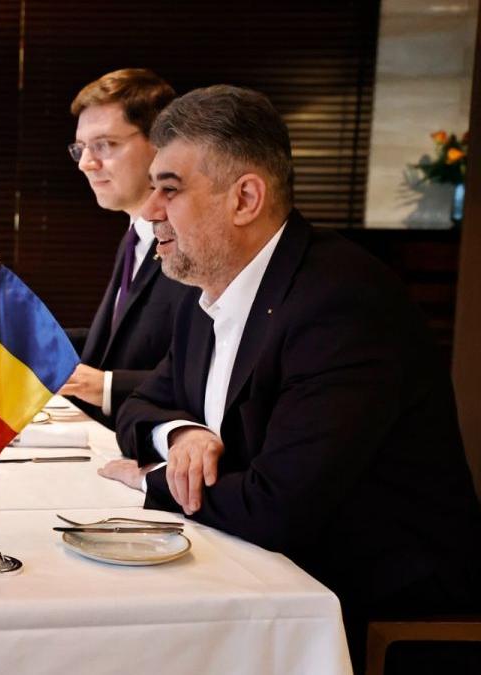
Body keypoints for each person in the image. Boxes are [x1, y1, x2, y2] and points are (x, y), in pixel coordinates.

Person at [98, 84, 481, 668]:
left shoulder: (343, 302)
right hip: (261, 568)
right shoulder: (205, 292)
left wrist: (150, 480)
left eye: (169, 189)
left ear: (245, 198)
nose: (150, 211)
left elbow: (279, 507)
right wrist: (181, 435)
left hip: (375, 614)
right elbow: (140, 405)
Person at [56, 69, 190, 430]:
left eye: (104, 145)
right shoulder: (134, 235)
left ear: (161, 143)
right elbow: (121, 338)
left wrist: (106, 386)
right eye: (81, 148)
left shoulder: (191, 245)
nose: (86, 163)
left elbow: (201, 371)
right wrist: (31, 341)